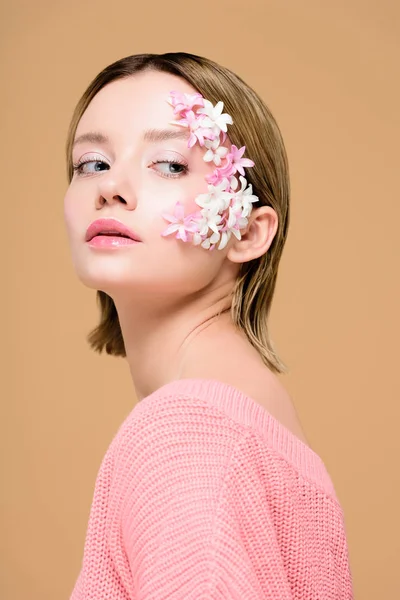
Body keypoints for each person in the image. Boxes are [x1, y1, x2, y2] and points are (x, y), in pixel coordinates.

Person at [64, 52, 354, 599]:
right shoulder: (239, 415)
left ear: (247, 232)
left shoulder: (187, 429)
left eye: (170, 163)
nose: (110, 188)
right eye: (92, 163)